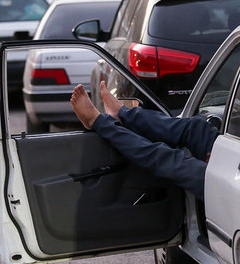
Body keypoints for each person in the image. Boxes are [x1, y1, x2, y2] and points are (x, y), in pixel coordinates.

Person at [70, 81, 219, 199]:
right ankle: (123, 113)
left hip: (232, 187)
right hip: (234, 160)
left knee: (165, 156)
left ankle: (97, 121)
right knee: (196, 127)